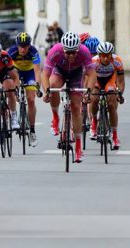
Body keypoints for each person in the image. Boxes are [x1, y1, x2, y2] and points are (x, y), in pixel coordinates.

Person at [41, 32, 96, 163]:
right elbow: (45, 74)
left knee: (76, 108)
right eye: (67, 52)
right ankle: (55, 117)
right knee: (53, 85)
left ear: (78, 49)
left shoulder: (84, 52)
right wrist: (46, 91)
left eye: (73, 52)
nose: (71, 55)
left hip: (76, 74)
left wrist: (89, 91)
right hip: (59, 71)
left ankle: (78, 147)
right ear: (63, 49)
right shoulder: (55, 50)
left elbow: (92, 73)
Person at [6, 32, 41, 147]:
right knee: (12, 90)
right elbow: (6, 69)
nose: (23, 49)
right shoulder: (12, 51)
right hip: (16, 71)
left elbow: (37, 71)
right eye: (21, 46)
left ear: (29, 45)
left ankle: (32, 130)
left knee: (31, 99)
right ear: (17, 45)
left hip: (30, 73)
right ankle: (14, 116)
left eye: (25, 46)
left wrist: (38, 85)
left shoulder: (33, 52)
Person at [89, 42, 125, 150]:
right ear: (99, 55)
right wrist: (88, 92)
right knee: (94, 99)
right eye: (103, 55)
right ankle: (94, 122)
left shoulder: (117, 61)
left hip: (110, 80)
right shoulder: (94, 62)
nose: (106, 58)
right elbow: (88, 79)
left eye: (108, 55)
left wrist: (119, 93)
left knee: (111, 104)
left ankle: (115, 137)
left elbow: (121, 81)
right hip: (97, 81)